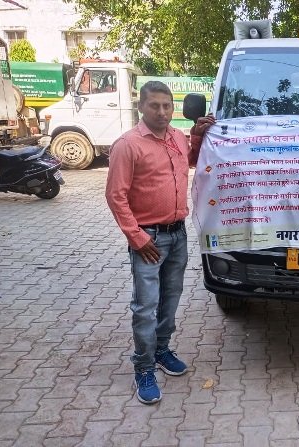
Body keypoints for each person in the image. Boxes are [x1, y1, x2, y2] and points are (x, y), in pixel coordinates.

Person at [105, 81, 192, 404]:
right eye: (154, 105)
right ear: (141, 106)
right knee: (145, 307)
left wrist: (200, 135)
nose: (162, 112)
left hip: (178, 234)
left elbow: (193, 161)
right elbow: (115, 196)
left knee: (171, 298)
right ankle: (143, 367)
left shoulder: (178, 138)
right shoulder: (128, 145)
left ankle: (161, 350)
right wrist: (137, 237)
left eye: (167, 105)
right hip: (149, 240)